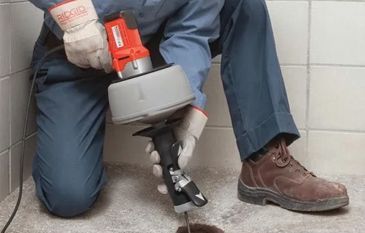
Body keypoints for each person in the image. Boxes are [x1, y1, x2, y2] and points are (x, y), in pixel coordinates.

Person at [28, 0, 349, 218]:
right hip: (73, 54)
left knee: (244, 4)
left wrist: (186, 105)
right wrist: (70, 12)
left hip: (145, 52)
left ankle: (265, 160)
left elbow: (191, 31)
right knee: (69, 196)